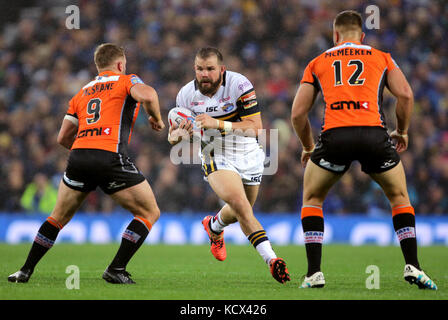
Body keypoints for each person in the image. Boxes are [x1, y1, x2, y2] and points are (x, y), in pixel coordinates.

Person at [291, 10, 437, 290]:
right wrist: (402, 130)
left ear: (335, 36)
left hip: (335, 137)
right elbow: (405, 94)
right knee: (399, 197)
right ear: (363, 36)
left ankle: (314, 274)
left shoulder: (317, 62)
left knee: (312, 198)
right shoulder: (382, 57)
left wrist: (309, 147)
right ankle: (413, 266)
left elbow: (298, 114)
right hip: (374, 135)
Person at [8, 43, 165, 284]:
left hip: (79, 156)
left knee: (57, 217)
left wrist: (87, 147)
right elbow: (149, 95)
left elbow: (62, 138)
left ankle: (25, 270)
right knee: (149, 212)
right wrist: (155, 118)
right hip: (110, 156)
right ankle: (116, 269)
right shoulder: (127, 80)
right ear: (120, 64)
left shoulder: (82, 92)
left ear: (98, 66)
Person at [168, 47, 290, 284]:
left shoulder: (239, 84)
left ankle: (214, 226)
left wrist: (218, 124)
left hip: (248, 152)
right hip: (215, 153)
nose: (204, 74)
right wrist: (177, 136)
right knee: (241, 205)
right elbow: (173, 137)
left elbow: (255, 126)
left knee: (238, 212)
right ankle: (272, 260)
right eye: (200, 69)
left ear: (221, 69)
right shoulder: (185, 95)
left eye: (210, 69)